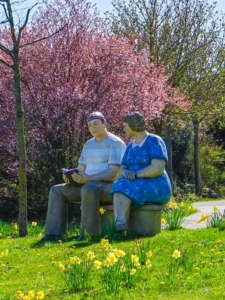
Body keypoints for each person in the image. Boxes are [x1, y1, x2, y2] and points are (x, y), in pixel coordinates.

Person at [41, 111, 126, 241]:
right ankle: (53, 234)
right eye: (90, 125)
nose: (93, 128)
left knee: (89, 188)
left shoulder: (115, 143)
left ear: (105, 124)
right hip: (88, 185)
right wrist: (71, 177)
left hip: (111, 188)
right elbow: (81, 169)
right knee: (57, 190)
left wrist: (89, 179)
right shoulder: (88, 144)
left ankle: (89, 234)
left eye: (96, 124)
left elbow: (114, 172)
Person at [111, 112, 172, 232]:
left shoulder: (154, 141)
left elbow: (157, 168)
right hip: (133, 182)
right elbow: (123, 168)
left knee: (123, 185)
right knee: (118, 184)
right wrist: (125, 173)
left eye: (125, 125)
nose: (123, 128)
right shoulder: (130, 146)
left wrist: (135, 175)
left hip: (156, 184)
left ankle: (120, 223)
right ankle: (120, 224)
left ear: (133, 125)